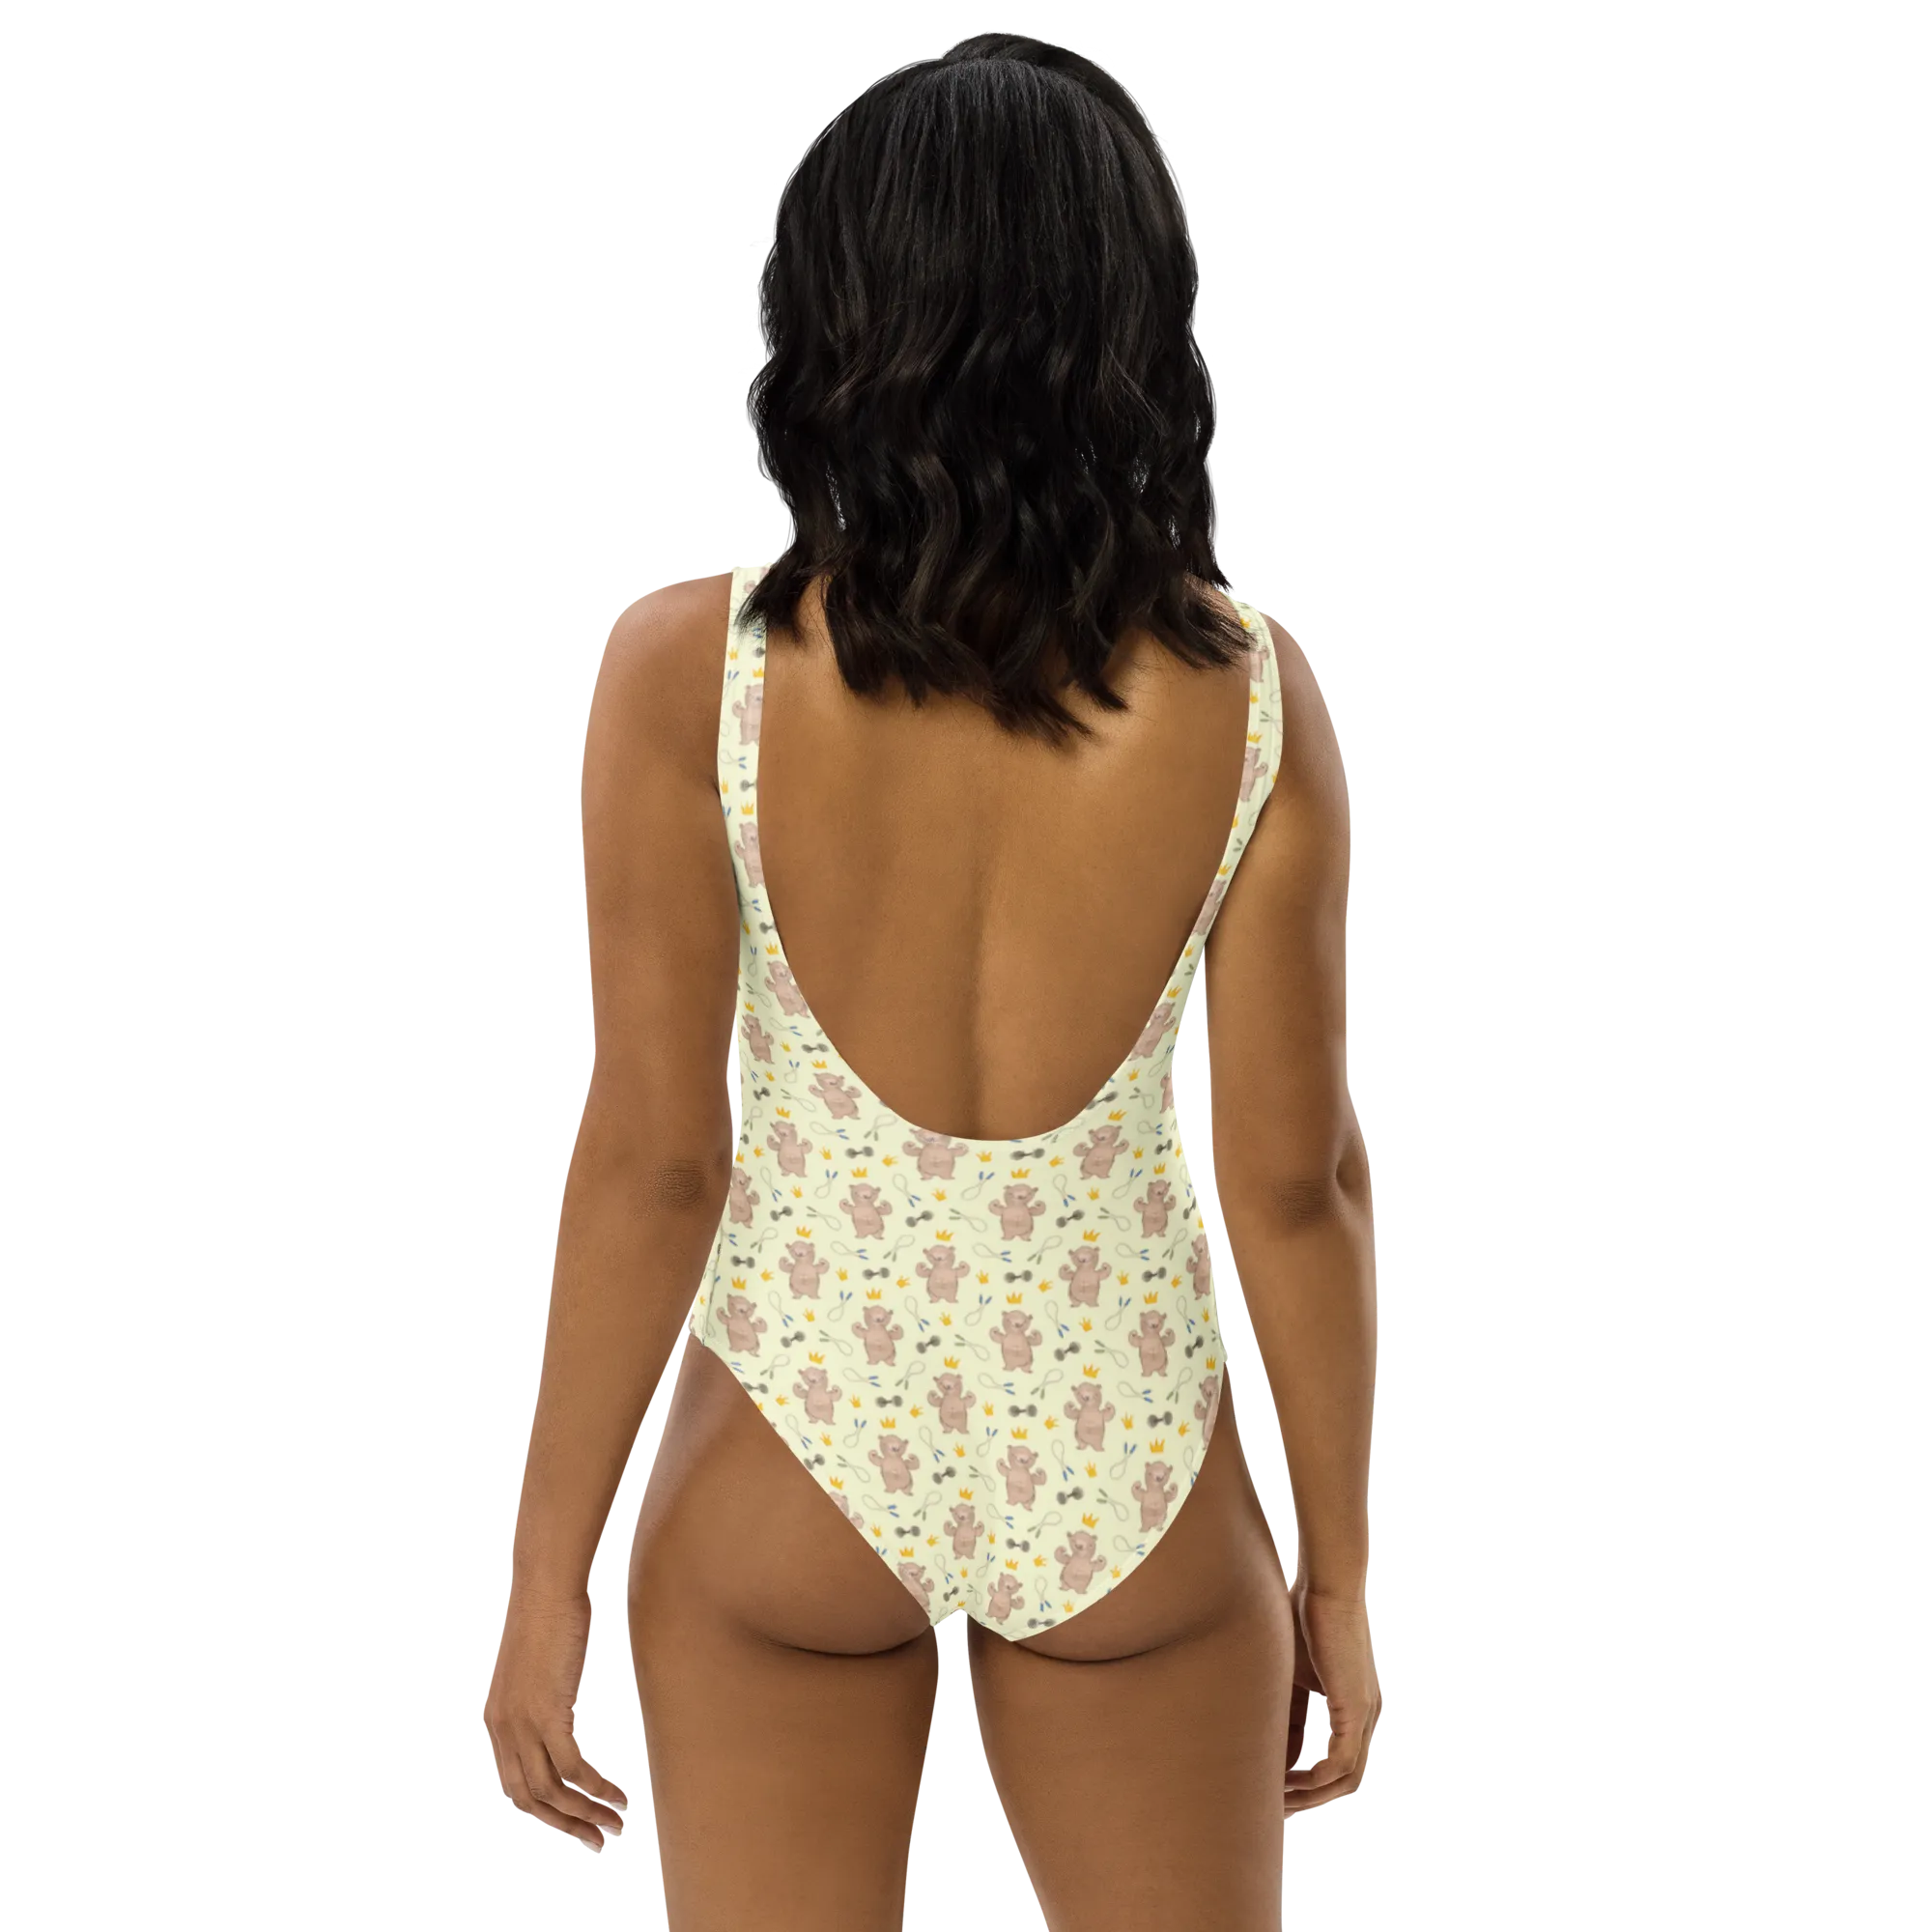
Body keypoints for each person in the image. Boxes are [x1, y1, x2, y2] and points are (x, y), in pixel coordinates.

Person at [484, 30, 1378, 1927]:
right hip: (1128, 1475)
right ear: (1133, 326)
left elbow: (654, 1157)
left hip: (793, 1463)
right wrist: (1344, 1576)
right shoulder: (1247, 700)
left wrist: (543, 1578)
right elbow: (1297, 1186)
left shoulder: (688, 673)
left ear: (840, 309)